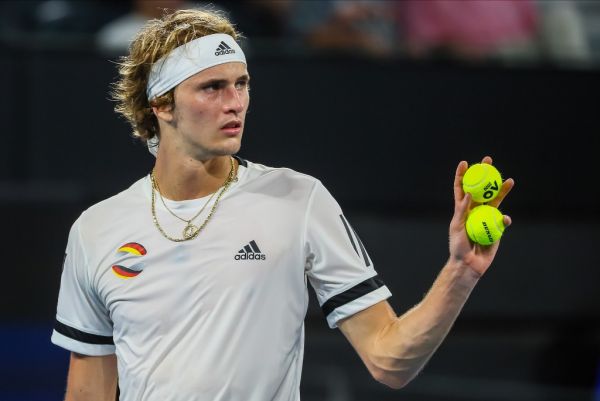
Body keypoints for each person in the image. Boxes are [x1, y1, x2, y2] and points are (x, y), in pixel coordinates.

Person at [50, 8, 514, 401]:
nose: (236, 103)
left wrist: (460, 273)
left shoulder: (298, 199)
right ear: (162, 105)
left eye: (242, 84)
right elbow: (88, 391)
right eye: (212, 88)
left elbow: (390, 361)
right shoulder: (97, 229)